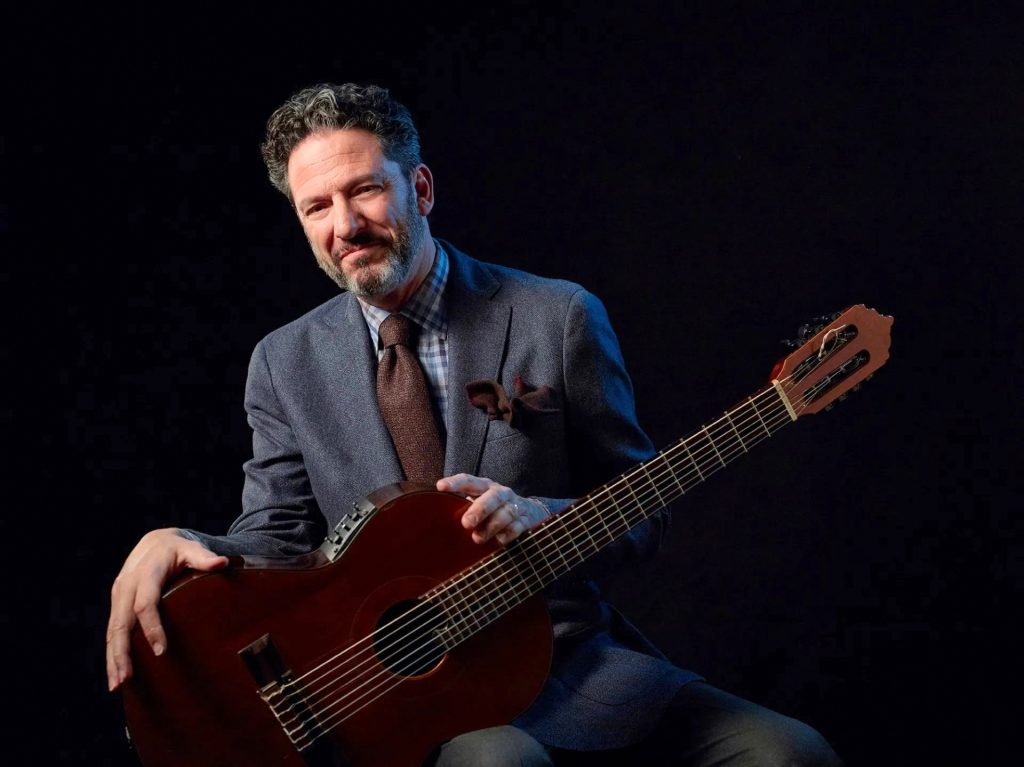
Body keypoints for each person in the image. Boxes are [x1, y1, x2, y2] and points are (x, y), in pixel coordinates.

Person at [106, 81, 842, 766]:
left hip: (565, 663)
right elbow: (276, 539)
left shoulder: (558, 316)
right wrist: (176, 540)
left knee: (790, 752)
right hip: (397, 698)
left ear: (421, 189)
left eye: (365, 189)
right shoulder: (283, 361)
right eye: (317, 207)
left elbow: (643, 511)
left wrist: (541, 515)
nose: (346, 225)